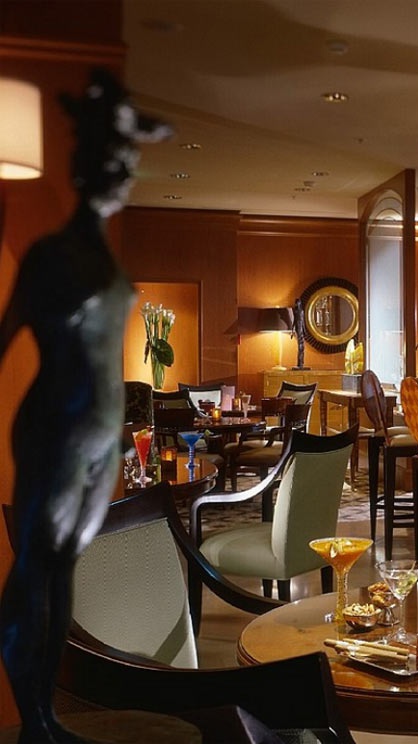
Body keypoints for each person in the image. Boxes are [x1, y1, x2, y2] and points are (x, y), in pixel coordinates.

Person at [0, 69, 169, 743]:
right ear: (83, 167)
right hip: (57, 433)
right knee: (35, 571)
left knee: (63, 570)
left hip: (101, 439)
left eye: (127, 160)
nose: (123, 173)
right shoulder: (51, 255)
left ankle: (45, 716)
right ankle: (33, 719)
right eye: (110, 160)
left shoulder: (100, 253)